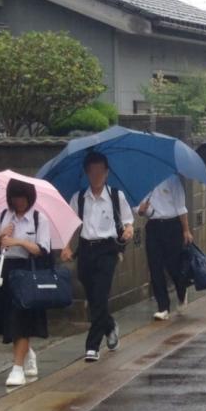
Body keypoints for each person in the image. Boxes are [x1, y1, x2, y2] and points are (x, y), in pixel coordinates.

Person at [61, 151, 134, 362]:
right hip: (85, 250)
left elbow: (128, 221)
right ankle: (109, 326)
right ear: (87, 173)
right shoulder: (79, 198)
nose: (97, 176)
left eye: (100, 171)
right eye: (93, 172)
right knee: (93, 297)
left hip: (107, 250)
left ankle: (92, 346)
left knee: (101, 294)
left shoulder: (116, 196)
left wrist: (129, 230)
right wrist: (66, 246)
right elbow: (70, 225)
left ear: (107, 172)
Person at [0, 178, 51, 387]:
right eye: (15, 198)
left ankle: (17, 368)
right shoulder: (3, 216)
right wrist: (1, 236)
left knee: (21, 319)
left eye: (23, 197)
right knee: (10, 320)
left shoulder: (39, 218)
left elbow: (42, 249)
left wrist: (19, 241)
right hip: (6, 271)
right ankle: (27, 353)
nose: (19, 202)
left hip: (27, 272)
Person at [136, 174, 194, 321]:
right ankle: (163, 307)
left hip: (172, 225)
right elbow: (138, 208)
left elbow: (181, 207)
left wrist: (186, 230)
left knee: (174, 266)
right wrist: (141, 210)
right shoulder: (142, 180)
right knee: (155, 267)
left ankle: (182, 292)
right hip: (153, 226)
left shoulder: (172, 179)